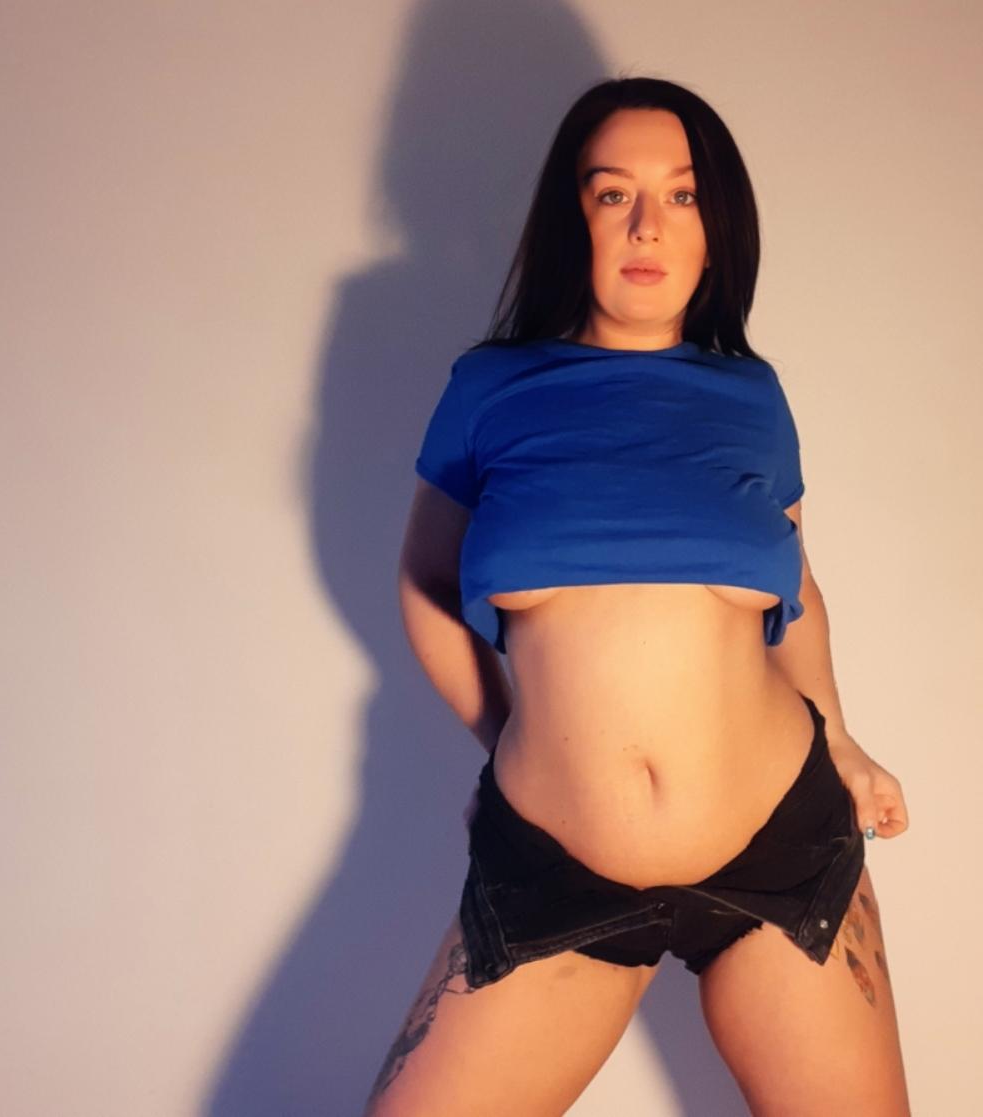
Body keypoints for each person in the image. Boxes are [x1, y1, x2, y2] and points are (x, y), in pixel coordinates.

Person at [367, 76, 912, 1116]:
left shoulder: (753, 398)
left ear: (717, 228)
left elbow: (794, 584)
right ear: (571, 219)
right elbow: (426, 580)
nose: (647, 224)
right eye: (612, 192)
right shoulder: (491, 390)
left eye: (682, 194)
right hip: (553, 871)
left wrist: (841, 738)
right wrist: (508, 738)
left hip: (783, 851)